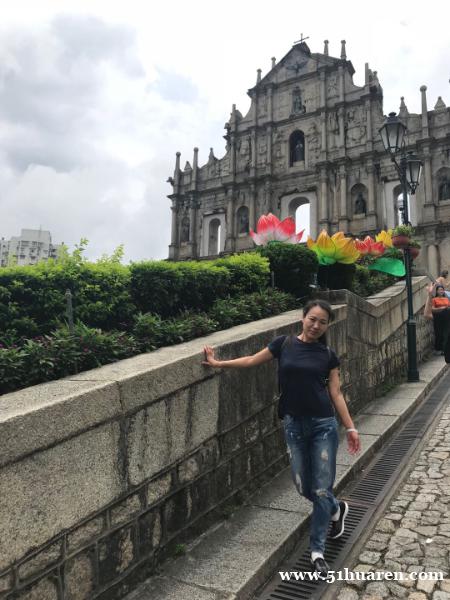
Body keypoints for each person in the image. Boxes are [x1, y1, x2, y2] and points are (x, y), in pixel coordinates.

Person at [203, 299, 361, 579]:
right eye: (312, 319)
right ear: (303, 318)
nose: (316, 325)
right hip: (293, 425)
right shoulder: (283, 344)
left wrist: (350, 428)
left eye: (322, 322)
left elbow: (336, 393)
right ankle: (337, 509)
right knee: (303, 486)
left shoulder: (328, 355)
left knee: (321, 489)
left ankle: (317, 551)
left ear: (327, 326)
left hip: (323, 425)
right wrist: (218, 363)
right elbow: (251, 360)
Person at [424, 283, 450, 361]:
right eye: (439, 290)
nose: (441, 291)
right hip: (441, 318)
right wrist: (429, 295)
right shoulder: (445, 311)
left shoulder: (446, 300)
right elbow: (427, 314)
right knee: (440, 334)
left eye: (442, 290)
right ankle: (439, 348)